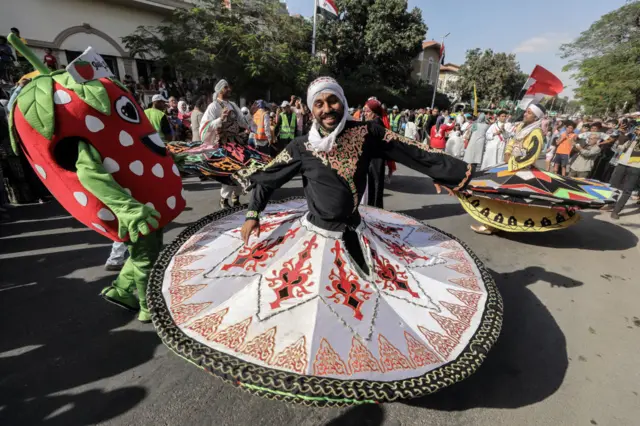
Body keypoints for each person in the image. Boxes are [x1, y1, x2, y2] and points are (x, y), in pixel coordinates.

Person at [148, 77, 503, 406]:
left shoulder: (368, 133)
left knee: (382, 305)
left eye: (333, 101)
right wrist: (254, 214)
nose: (327, 109)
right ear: (310, 108)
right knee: (305, 315)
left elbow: (415, 152)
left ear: (343, 102)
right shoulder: (302, 145)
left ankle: (366, 367)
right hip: (313, 238)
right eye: (319, 104)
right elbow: (267, 178)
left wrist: (462, 176)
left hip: (358, 232)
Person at [7, 36, 185, 322]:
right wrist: (128, 208)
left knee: (147, 246)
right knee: (146, 255)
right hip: (131, 205)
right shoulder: (80, 137)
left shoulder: (110, 125)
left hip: (142, 200)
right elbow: (91, 175)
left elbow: (139, 142)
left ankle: (122, 291)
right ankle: (148, 306)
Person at [459, 103, 616, 236]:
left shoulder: (537, 133)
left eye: (529, 113)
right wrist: (507, 153)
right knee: (491, 193)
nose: (525, 114)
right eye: (526, 111)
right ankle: (491, 225)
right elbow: (512, 142)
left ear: (536, 117)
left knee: (514, 199)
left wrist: (512, 162)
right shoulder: (521, 127)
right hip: (508, 167)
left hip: (522, 170)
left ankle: (495, 225)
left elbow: (532, 155)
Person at [200, 79, 251, 208]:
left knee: (242, 170)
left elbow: (242, 121)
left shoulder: (233, 105)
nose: (229, 89)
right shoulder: (214, 106)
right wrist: (220, 119)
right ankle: (224, 199)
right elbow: (204, 126)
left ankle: (236, 196)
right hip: (224, 144)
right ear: (219, 90)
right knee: (229, 171)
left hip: (237, 143)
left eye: (229, 87)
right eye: (226, 87)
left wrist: (250, 118)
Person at [608, 125, 640, 220]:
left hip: (636, 167)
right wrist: (621, 139)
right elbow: (620, 148)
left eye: (638, 130)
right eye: (636, 129)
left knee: (627, 190)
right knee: (613, 185)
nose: (636, 131)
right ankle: (610, 204)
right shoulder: (631, 140)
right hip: (622, 163)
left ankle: (616, 211)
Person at [362, 97, 388, 208]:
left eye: (367, 111)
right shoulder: (375, 123)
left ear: (374, 113)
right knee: (373, 187)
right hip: (374, 160)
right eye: (364, 111)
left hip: (375, 160)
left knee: (374, 187)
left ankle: (375, 210)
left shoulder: (375, 125)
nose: (365, 114)